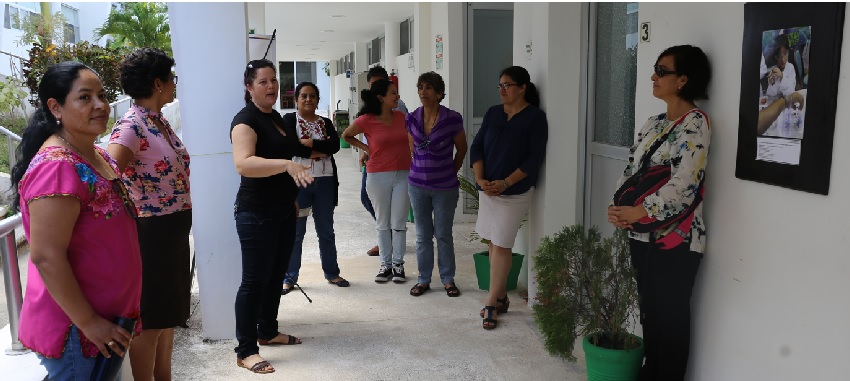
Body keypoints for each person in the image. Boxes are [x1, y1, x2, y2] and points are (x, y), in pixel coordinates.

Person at [11, 61, 141, 380]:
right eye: (85, 97)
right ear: (55, 107)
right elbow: (46, 256)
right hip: (77, 330)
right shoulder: (56, 167)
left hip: (107, 321)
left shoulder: (97, 154)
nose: (100, 105)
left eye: (102, 95)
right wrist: (89, 322)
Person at [607, 44, 711, 381]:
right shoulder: (653, 123)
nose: (653, 76)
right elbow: (631, 169)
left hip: (675, 241)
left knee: (672, 320)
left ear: (683, 79)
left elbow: (684, 184)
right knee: (651, 315)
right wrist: (621, 208)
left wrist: (639, 211)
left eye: (661, 71)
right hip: (641, 235)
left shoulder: (695, 124)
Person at [106, 47, 190, 381]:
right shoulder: (131, 126)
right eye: (172, 78)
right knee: (151, 320)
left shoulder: (157, 122)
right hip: (151, 235)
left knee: (166, 318)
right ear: (158, 83)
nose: (174, 84)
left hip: (171, 232)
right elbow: (109, 179)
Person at [230, 59, 313, 374]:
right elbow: (244, 163)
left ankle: (267, 331)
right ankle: (245, 349)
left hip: (282, 210)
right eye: (262, 82)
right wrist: (288, 166)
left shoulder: (276, 117)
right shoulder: (245, 120)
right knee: (254, 282)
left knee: (275, 275)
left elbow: (292, 148)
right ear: (249, 87)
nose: (271, 87)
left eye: (273, 80)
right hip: (255, 213)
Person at [469, 66, 548, 329]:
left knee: (502, 244)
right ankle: (501, 296)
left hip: (514, 192)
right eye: (500, 86)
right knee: (493, 242)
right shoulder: (493, 113)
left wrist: (505, 182)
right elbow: (477, 147)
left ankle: (491, 302)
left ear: (523, 87)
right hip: (488, 190)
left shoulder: (535, 118)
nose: (502, 90)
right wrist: (481, 180)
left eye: (508, 85)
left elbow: (533, 158)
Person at [281, 81, 349, 295]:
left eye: (312, 96)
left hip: (325, 182)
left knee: (326, 231)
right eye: (304, 96)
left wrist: (311, 145)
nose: (308, 99)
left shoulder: (326, 122)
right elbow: (291, 146)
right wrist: (320, 150)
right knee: (296, 232)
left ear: (318, 100)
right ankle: (289, 277)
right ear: (296, 100)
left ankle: (332, 273)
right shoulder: (290, 120)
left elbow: (335, 146)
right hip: (300, 183)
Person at [342, 78, 411, 283]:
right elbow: (346, 135)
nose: (397, 96)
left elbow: (412, 139)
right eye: (393, 93)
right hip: (377, 174)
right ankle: (385, 265)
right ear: (381, 97)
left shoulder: (402, 117)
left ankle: (398, 265)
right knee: (383, 222)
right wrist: (366, 149)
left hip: (403, 174)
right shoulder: (366, 119)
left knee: (399, 222)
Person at [405, 72, 467, 298]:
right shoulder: (411, 118)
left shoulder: (452, 118)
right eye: (421, 87)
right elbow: (413, 149)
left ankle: (448, 280)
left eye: (429, 88)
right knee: (422, 235)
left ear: (440, 93)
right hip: (417, 185)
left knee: (443, 234)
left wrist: (452, 170)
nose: (423, 92)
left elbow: (462, 148)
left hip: (445, 187)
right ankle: (423, 280)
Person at [360, 65, 408, 256]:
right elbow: (366, 131)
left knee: (394, 211)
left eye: (380, 84)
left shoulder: (398, 107)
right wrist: (365, 150)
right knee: (367, 198)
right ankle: (385, 237)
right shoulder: (371, 107)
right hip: (374, 163)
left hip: (393, 166)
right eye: (373, 85)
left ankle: (390, 244)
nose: (376, 88)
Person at [765, 34, 796, 101]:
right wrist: (772, 83)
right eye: (779, 56)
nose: (783, 59)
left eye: (785, 54)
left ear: (788, 52)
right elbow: (770, 95)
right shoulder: (774, 70)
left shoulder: (790, 68)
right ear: (775, 57)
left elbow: (790, 92)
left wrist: (782, 77)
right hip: (777, 105)